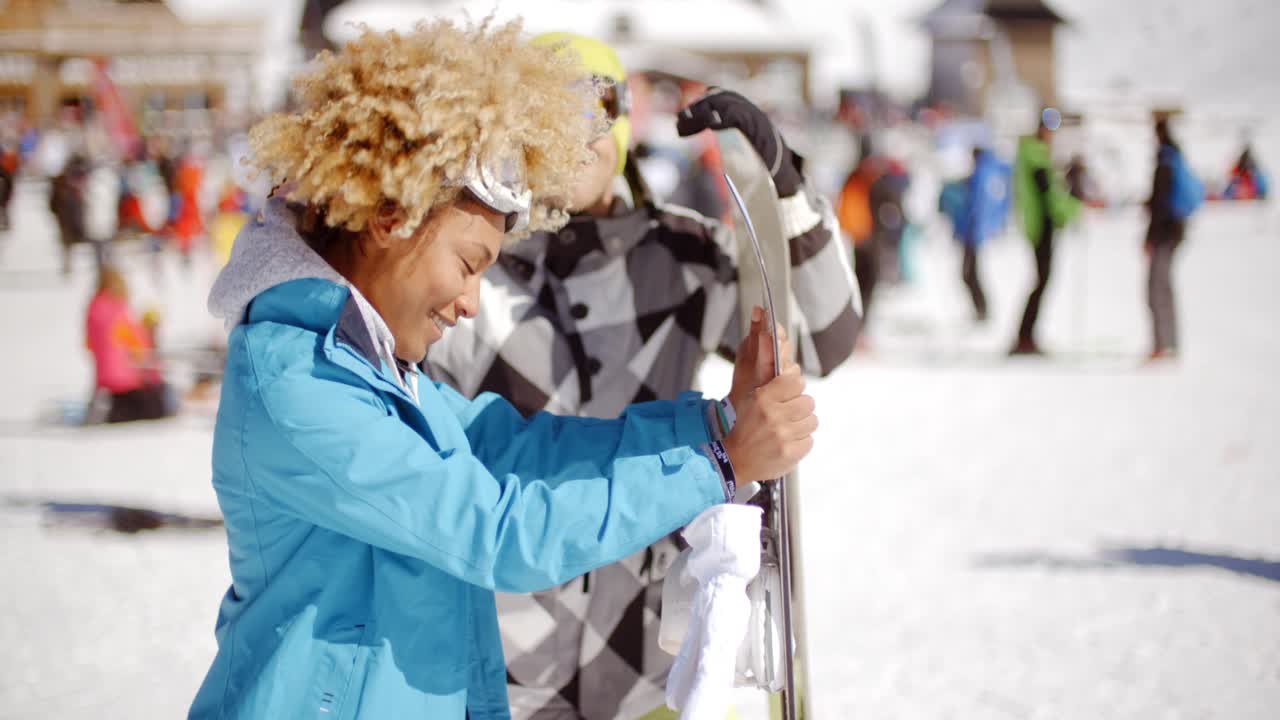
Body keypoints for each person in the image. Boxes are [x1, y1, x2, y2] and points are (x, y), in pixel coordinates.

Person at [191, 21, 818, 720]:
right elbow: (497, 531)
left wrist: (708, 427)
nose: (469, 303)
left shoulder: (369, 368)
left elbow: (516, 447)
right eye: (468, 265)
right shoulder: (300, 384)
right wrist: (715, 466)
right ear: (391, 218)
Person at [425, 32, 859, 720]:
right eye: (544, 111)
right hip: (495, 652)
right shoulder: (473, 270)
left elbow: (825, 336)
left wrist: (786, 187)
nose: (573, 133)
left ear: (623, 120)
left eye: (594, 106)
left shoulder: (683, 256)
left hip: (649, 656)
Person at [1010, 113, 1080, 355]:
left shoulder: (1034, 154)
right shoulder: (1036, 157)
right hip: (1042, 226)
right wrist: (1072, 209)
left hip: (1039, 225)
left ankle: (1026, 335)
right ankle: (1025, 336)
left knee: (1041, 281)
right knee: (1041, 281)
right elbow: (1049, 198)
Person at [85, 266, 171, 423]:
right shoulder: (117, 308)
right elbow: (134, 341)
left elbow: (88, 344)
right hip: (127, 376)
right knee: (156, 405)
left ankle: (110, 411)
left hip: (104, 377)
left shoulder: (93, 307)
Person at [1144, 118, 1191, 360]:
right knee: (1165, 286)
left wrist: (1149, 237)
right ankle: (1169, 342)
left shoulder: (1164, 160)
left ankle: (1162, 345)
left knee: (1156, 287)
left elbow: (1158, 204)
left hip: (1164, 233)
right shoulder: (1175, 156)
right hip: (1175, 230)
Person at [955, 146, 1008, 323]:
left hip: (973, 231)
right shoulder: (990, 173)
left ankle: (981, 309)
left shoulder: (980, 174)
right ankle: (981, 309)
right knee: (970, 272)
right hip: (976, 231)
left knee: (969, 273)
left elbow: (976, 205)